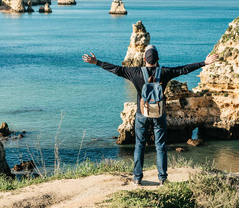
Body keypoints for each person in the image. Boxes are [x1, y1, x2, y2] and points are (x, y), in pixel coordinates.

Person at [82, 45, 218, 186]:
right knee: (160, 146)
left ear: (144, 59)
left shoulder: (135, 72)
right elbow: (184, 69)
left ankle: (137, 177)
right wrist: (204, 62)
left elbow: (117, 69)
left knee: (139, 145)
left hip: (142, 114)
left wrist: (97, 62)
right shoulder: (164, 72)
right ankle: (162, 178)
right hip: (159, 113)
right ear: (158, 59)